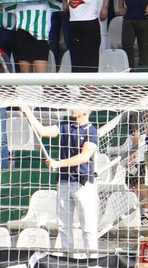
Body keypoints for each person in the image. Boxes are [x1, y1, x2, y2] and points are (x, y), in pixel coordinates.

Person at [20, 106, 100, 252]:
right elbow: (42, 131)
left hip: (83, 184)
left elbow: (84, 157)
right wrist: (27, 112)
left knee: (87, 225)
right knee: (64, 225)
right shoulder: (64, 126)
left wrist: (58, 163)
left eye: (76, 106)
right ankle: (66, 257)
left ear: (85, 110)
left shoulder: (92, 131)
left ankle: (92, 259)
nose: (72, 108)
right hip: (64, 182)